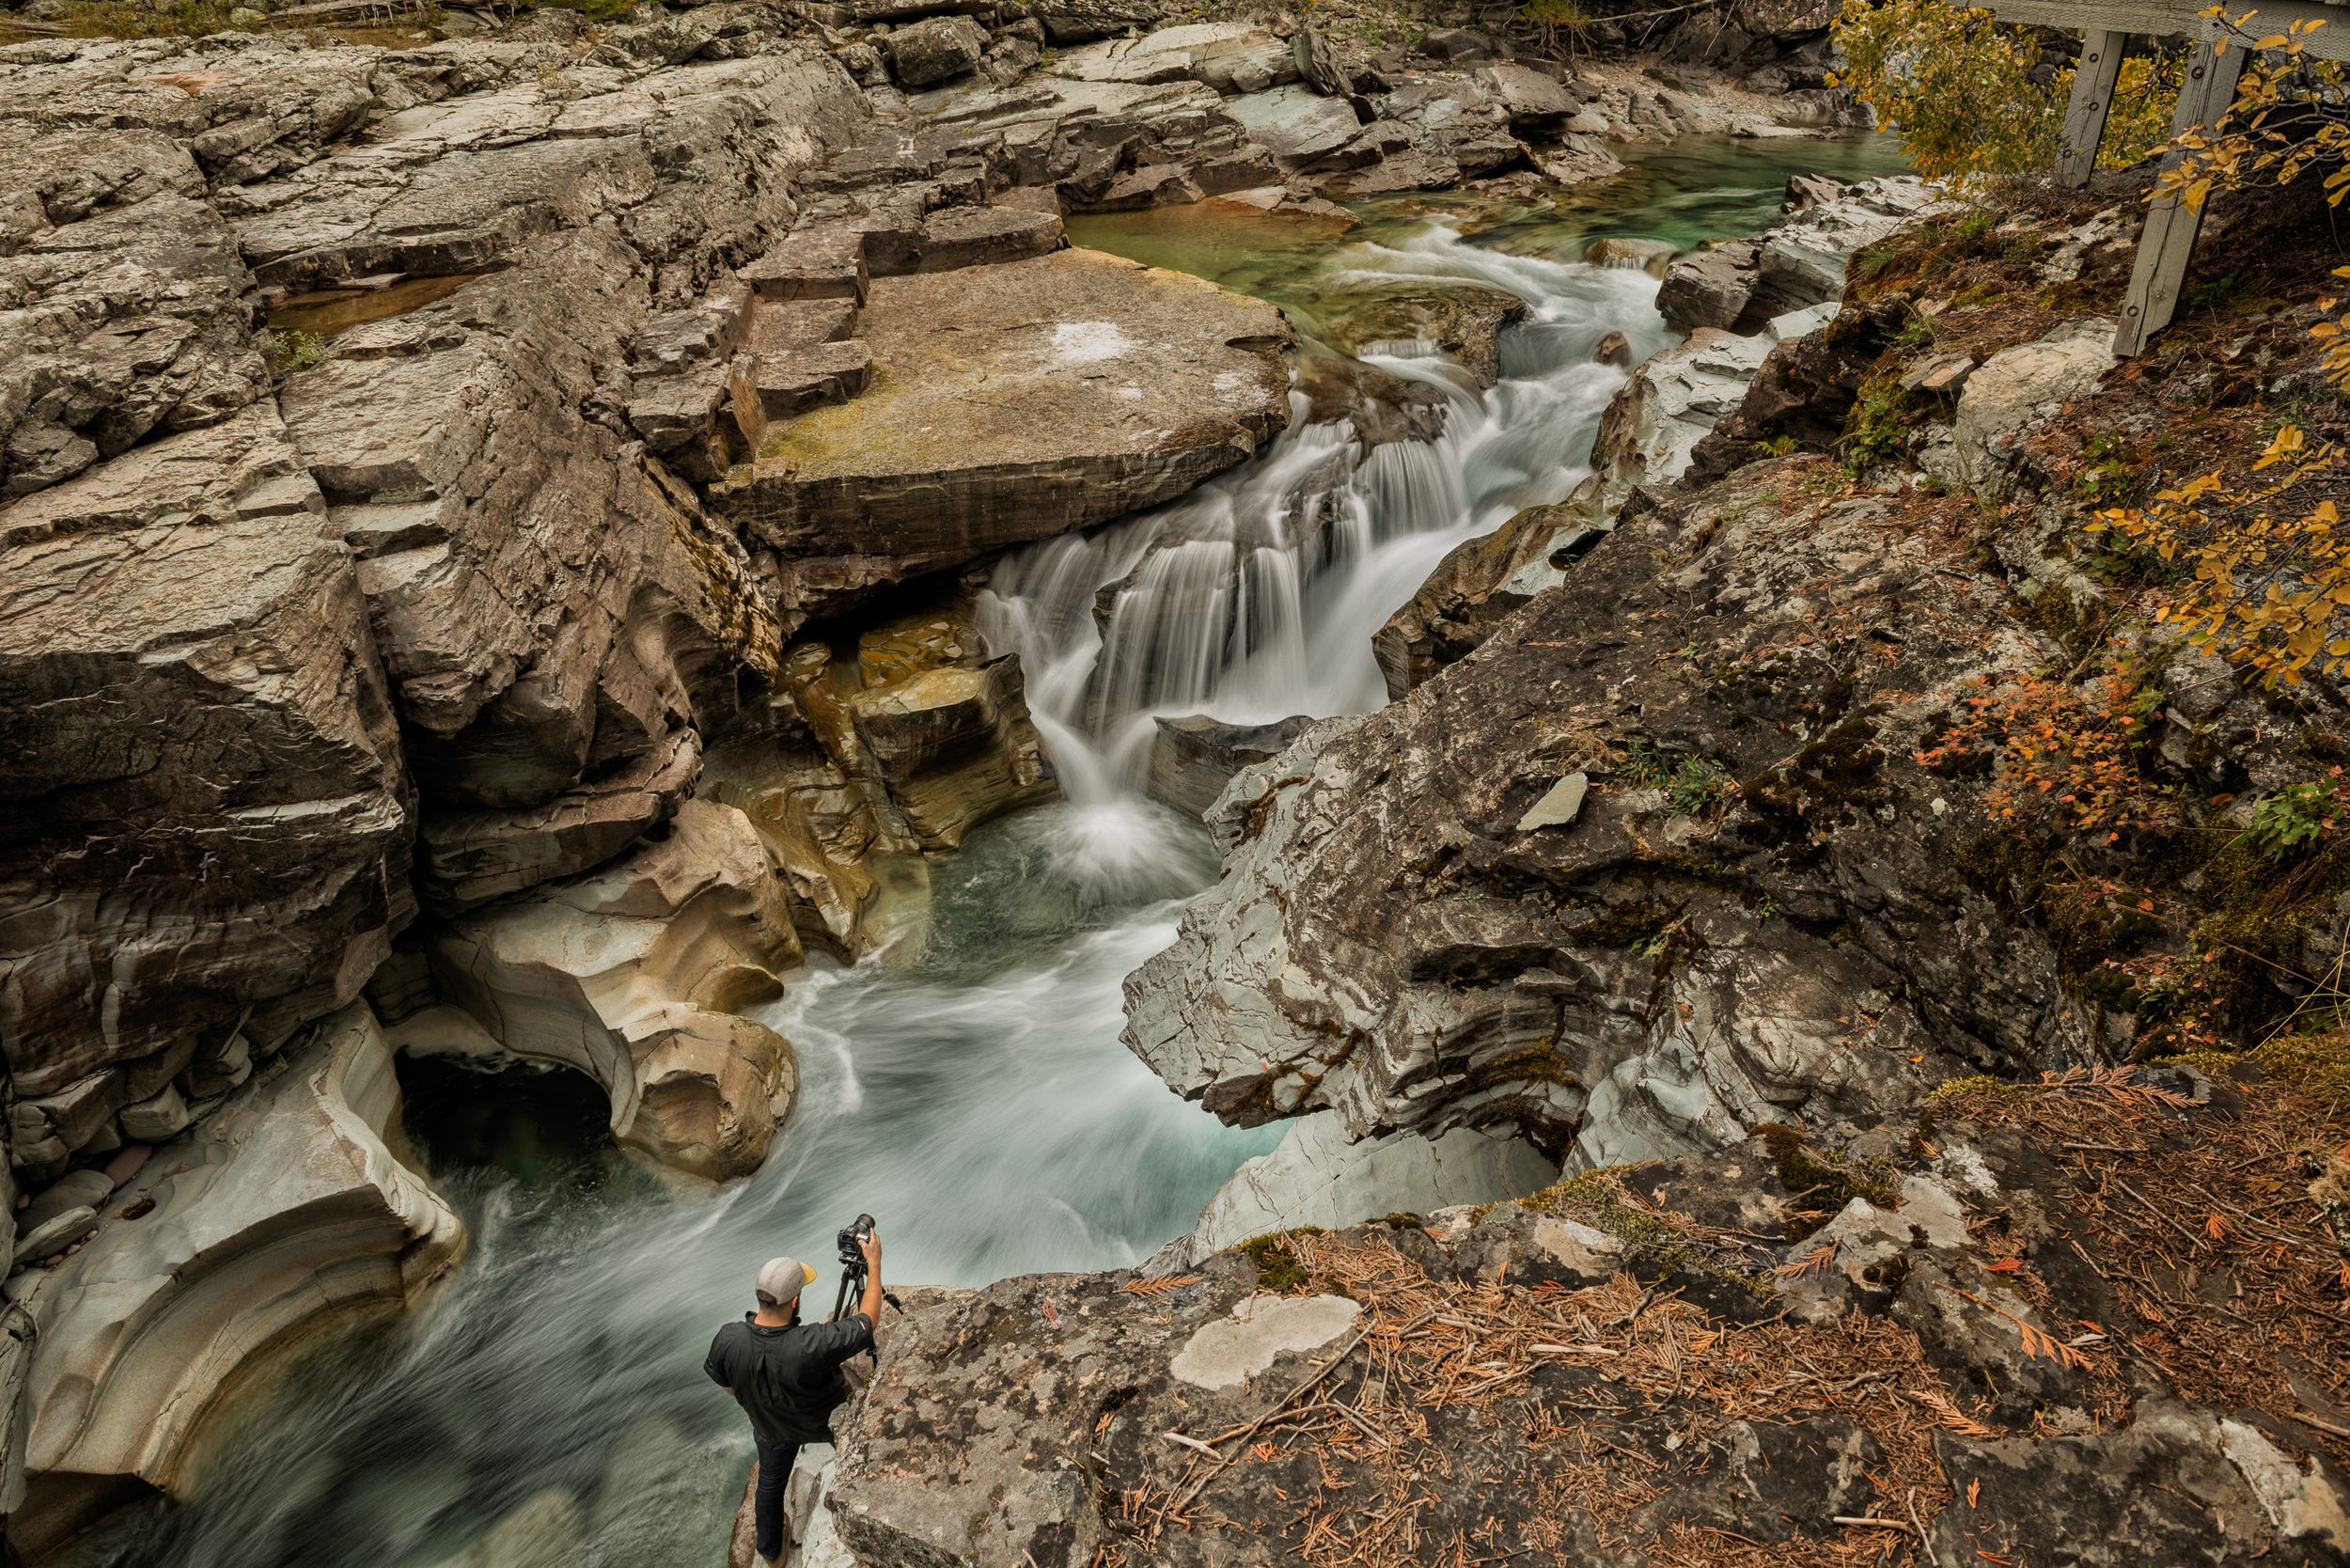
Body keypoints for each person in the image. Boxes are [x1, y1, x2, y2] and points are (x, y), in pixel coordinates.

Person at [705, 1225, 885, 1567]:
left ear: (760, 1295)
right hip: (828, 1423)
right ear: (796, 1300)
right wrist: (873, 1264)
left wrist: (747, 1404)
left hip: (771, 1428)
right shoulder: (812, 1344)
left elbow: (721, 1377)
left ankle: (771, 1554)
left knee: (770, 1486)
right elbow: (867, 1322)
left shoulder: (728, 1339)